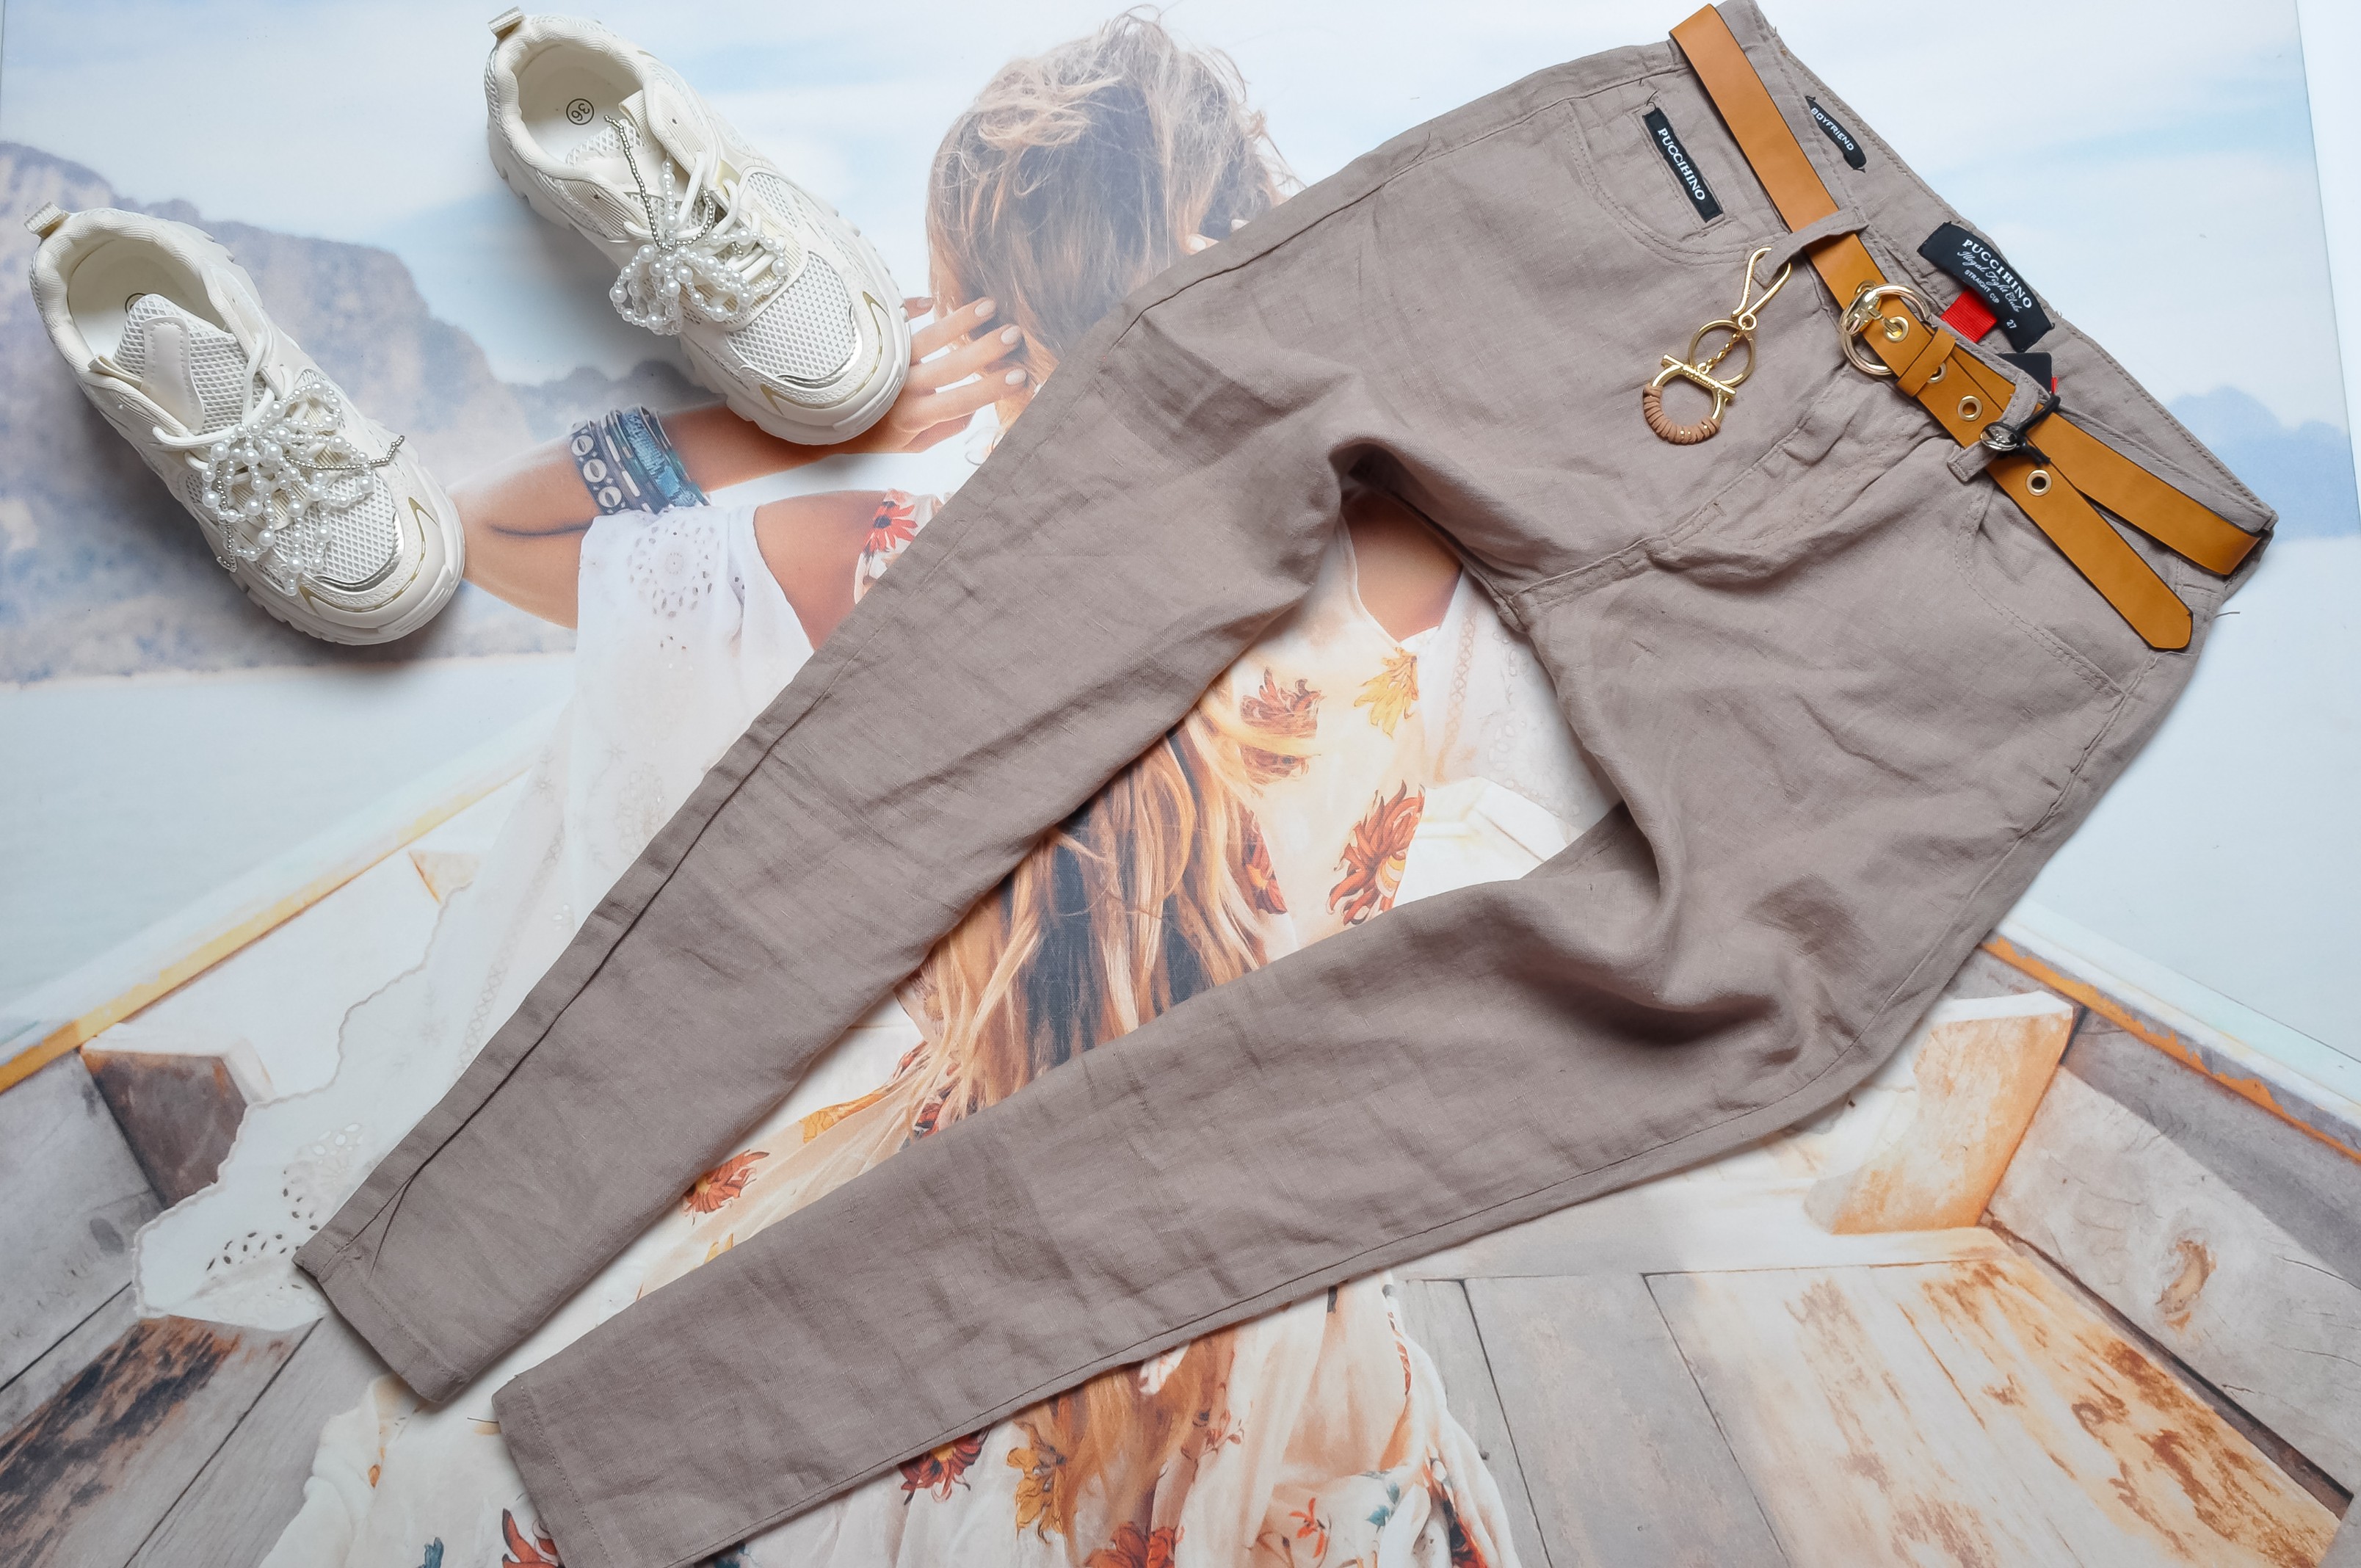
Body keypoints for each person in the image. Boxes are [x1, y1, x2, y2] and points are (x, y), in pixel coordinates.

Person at [137, 14, 1611, 1566]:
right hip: (1251, 1286)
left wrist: (809, 416)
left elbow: (488, 532)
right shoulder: (1401, 563)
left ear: (977, 307)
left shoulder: (886, 566)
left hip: (900, 1260)